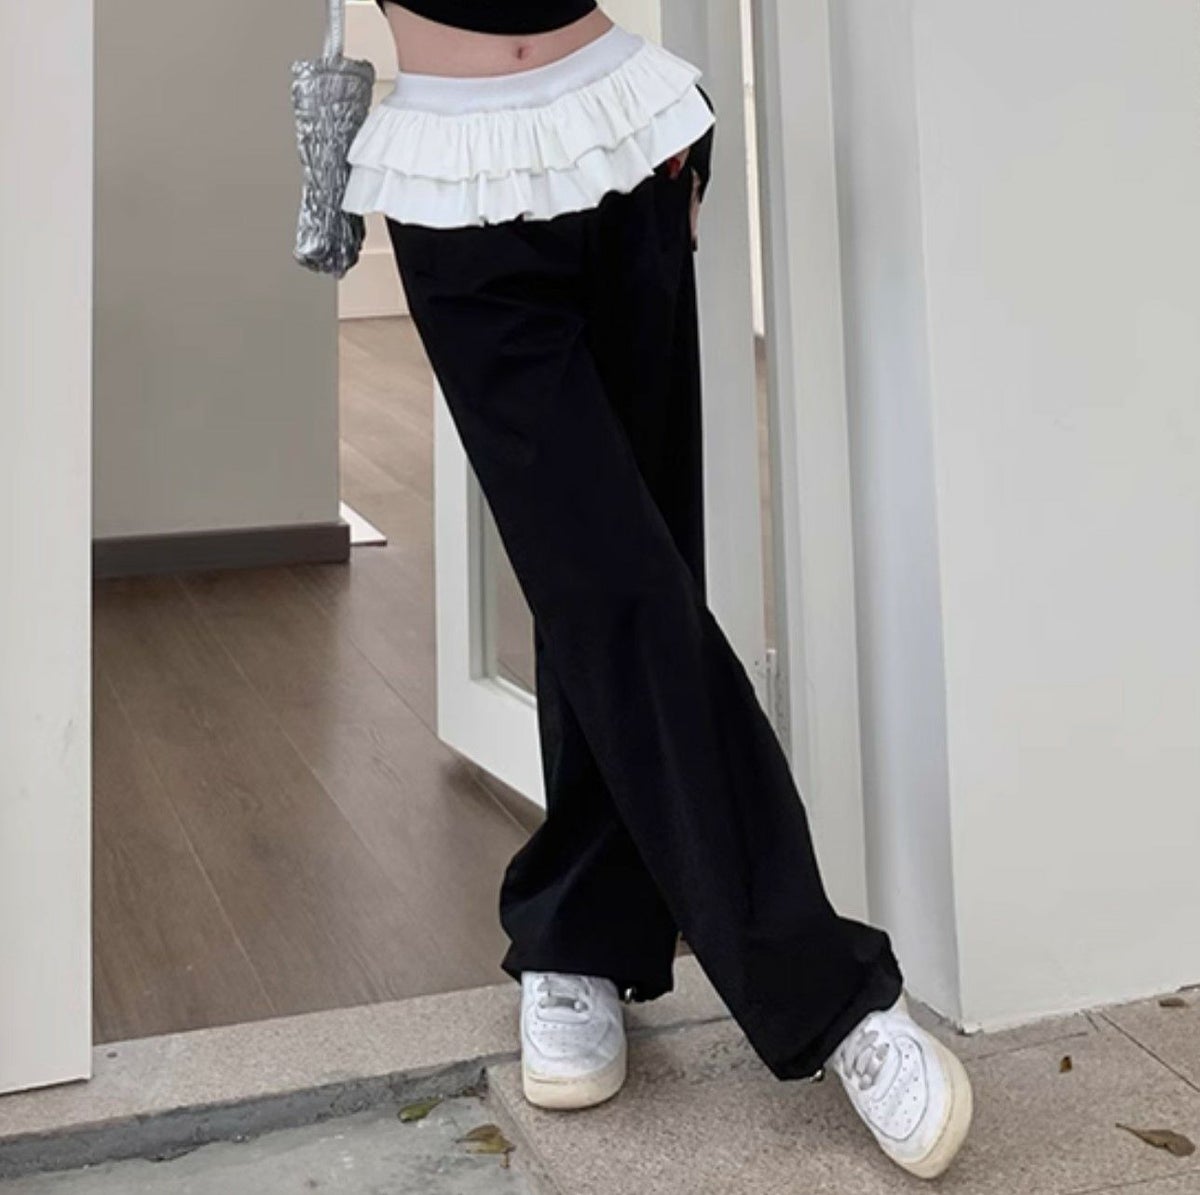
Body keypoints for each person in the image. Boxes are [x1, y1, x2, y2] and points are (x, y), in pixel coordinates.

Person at [341, 0, 974, 1180]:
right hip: (453, 180)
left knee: (639, 576)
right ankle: (830, 996)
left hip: (622, 138)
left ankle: (578, 932)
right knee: (616, 590)